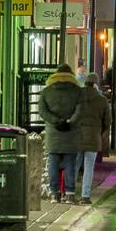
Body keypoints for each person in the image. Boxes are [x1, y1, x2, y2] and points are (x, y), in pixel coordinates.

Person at [39, 62, 82, 202]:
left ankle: (54, 193)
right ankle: (69, 193)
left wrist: (55, 121)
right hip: (71, 133)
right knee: (70, 163)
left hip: (53, 133)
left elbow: (42, 111)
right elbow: (80, 111)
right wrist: (69, 122)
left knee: (53, 163)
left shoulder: (47, 91)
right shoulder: (77, 91)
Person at [71, 72, 111, 204]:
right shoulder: (102, 100)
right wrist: (101, 132)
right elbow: (107, 121)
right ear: (95, 84)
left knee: (74, 165)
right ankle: (85, 196)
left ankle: (70, 194)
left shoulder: (76, 95)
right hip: (94, 138)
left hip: (77, 136)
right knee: (89, 167)